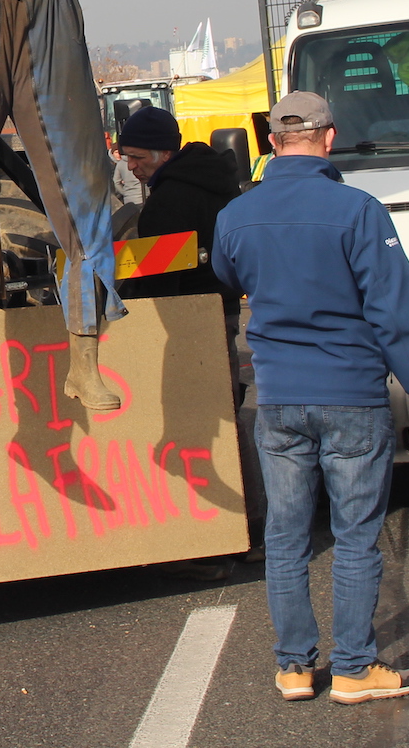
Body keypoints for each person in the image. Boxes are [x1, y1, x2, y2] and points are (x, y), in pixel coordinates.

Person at [212, 91, 409, 705]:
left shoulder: (236, 216)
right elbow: (395, 315)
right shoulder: (359, 211)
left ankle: (295, 667)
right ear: (329, 137)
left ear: (272, 142)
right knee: (354, 536)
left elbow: (228, 274)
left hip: (279, 399)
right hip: (350, 394)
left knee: (287, 535)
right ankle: (352, 667)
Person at [115, 104, 265, 568]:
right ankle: (254, 532)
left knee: (195, 429)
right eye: (126, 157)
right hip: (215, 315)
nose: (131, 166)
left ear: (163, 153)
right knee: (225, 419)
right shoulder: (211, 182)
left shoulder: (171, 200)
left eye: (137, 157)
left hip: (186, 326)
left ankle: (213, 543)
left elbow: (159, 278)